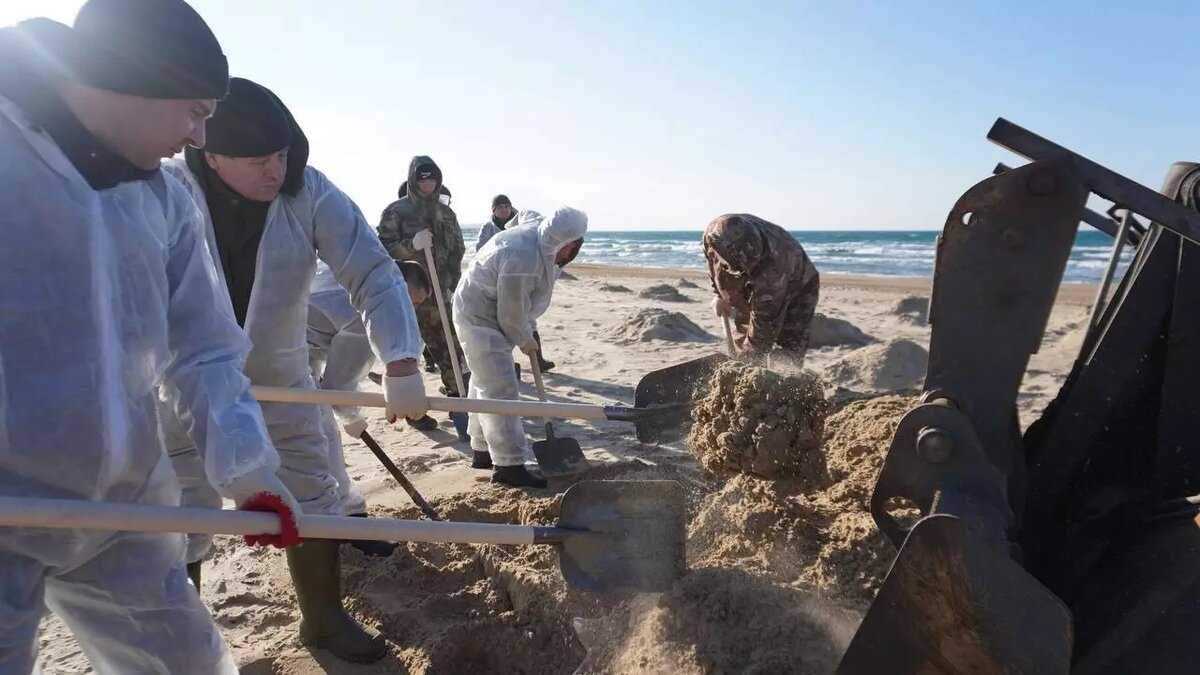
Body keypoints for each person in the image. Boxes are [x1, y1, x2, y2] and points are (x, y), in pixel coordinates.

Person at [0, 3, 302, 673]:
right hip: (8, 512)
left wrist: (250, 471)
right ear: (130, 79)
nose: (198, 137)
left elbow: (205, 347)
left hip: (123, 512)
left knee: (189, 663)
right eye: (193, 110)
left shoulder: (163, 198)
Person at [160, 77, 427, 663]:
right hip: (176, 383)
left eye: (281, 155)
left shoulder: (309, 194)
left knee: (314, 489)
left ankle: (325, 620)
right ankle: (180, 642)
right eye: (258, 160)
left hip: (281, 377)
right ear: (210, 153)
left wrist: (402, 358)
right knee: (179, 510)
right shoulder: (167, 192)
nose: (274, 171)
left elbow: (374, 272)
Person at [453, 207, 587, 487]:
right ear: (568, 244)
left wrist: (526, 329)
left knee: (483, 380)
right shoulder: (521, 258)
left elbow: (523, 214)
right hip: (479, 315)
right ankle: (509, 466)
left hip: (488, 308)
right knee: (500, 387)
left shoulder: (541, 229)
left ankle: (481, 450)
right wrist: (527, 341)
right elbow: (510, 316)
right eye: (570, 251)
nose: (568, 257)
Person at [308, 259, 431, 558]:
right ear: (397, 288)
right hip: (279, 356)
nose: (409, 312)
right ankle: (348, 525)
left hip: (292, 350)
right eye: (410, 302)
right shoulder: (368, 310)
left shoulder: (353, 277)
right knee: (321, 440)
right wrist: (353, 417)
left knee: (319, 440)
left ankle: (343, 521)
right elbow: (339, 390)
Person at [377, 156, 469, 434]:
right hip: (408, 296)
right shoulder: (397, 211)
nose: (428, 184)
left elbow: (457, 251)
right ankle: (412, 410)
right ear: (414, 181)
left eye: (432, 178)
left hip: (439, 295)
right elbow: (381, 249)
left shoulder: (446, 214)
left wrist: (453, 281)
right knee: (408, 353)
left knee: (451, 350)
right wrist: (410, 245)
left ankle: (460, 403)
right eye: (422, 178)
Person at [704, 214, 820, 366]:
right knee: (745, 331)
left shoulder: (773, 268)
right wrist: (718, 294)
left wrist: (748, 362)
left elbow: (763, 324)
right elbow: (713, 262)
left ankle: (784, 382)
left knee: (789, 342)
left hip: (800, 285)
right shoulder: (714, 235)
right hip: (760, 274)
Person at [477, 197, 558, 372]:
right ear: (494, 210)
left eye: (507, 206)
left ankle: (538, 359)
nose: (504, 209)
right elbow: (481, 251)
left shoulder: (522, 224)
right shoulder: (488, 228)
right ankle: (507, 362)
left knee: (528, 319)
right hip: (497, 278)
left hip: (522, 275)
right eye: (500, 207)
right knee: (504, 320)